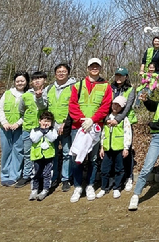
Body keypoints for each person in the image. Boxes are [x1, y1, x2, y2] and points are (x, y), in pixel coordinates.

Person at [68, 58, 113, 203]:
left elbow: (105, 106)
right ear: (87, 68)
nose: (94, 68)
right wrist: (82, 120)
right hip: (78, 127)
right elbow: (73, 105)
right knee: (77, 159)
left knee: (93, 159)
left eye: (97, 66)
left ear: (100, 68)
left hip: (95, 127)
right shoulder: (78, 85)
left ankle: (90, 185)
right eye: (92, 66)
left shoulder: (106, 86)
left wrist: (92, 120)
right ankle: (77, 186)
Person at [45, 63, 77, 192]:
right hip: (52, 127)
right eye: (59, 71)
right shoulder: (49, 88)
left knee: (66, 153)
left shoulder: (73, 87)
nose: (61, 73)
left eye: (64, 71)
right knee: (52, 153)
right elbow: (45, 106)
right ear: (55, 73)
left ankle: (65, 179)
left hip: (66, 126)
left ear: (68, 73)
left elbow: (74, 106)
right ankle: (53, 178)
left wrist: (66, 123)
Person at [16, 71, 47, 188]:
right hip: (28, 128)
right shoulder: (25, 95)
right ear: (31, 81)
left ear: (45, 80)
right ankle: (26, 175)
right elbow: (21, 110)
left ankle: (42, 175)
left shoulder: (47, 93)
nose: (37, 81)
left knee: (42, 153)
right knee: (27, 153)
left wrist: (39, 97)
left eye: (40, 78)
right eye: (35, 79)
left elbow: (43, 107)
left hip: (42, 130)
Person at [0, 71, 29, 186]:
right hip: (5, 128)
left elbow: (28, 112)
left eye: (22, 81)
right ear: (14, 82)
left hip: (20, 128)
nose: (20, 83)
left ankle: (14, 175)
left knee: (18, 151)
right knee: (6, 151)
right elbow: (0, 108)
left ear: (26, 82)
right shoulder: (7, 93)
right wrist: (4, 122)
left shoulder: (28, 94)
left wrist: (19, 123)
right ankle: (5, 175)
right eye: (17, 81)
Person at [97, 96, 132, 199]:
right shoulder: (107, 118)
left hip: (119, 147)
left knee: (119, 168)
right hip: (107, 148)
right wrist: (102, 147)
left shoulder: (123, 119)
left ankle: (117, 188)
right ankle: (104, 187)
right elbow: (103, 133)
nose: (115, 107)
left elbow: (127, 133)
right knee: (104, 169)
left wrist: (126, 147)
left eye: (118, 105)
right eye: (114, 104)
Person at [109, 67, 137, 191]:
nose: (119, 78)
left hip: (126, 122)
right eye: (117, 75)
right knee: (111, 151)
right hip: (110, 121)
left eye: (122, 76)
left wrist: (118, 119)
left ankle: (129, 177)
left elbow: (127, 107)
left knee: (126, 150)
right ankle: (114, 178)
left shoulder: (130, 89)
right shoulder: (110, 89)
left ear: (126, 77)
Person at [28, 111, 58, 201]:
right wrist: (42, 131)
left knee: (47, 173)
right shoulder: (35, 130)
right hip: (37, 156)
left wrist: (47, 132)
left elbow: (53, 138)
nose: (46, 123)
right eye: (44, 121)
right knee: (36, 173)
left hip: (48, 156)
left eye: (49, 121)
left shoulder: (52, 131)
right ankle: (34, 190)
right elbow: (34, 139)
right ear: (39, 121)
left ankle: (45, 189)